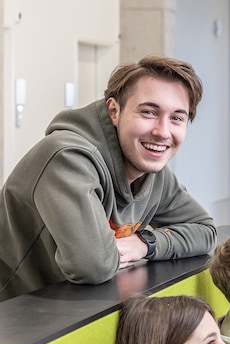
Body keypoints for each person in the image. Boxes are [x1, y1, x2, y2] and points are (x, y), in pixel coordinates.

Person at [0, 55, 216, 301]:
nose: (162, 132)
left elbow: (205, 231)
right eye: (148, 112)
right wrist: (109, 255)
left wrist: (145, 243)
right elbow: (92, 265)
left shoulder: (153, 175)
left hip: (66, 312)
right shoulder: (67, 158)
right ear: (114, 110)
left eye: (177, 118)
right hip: (12, 317)